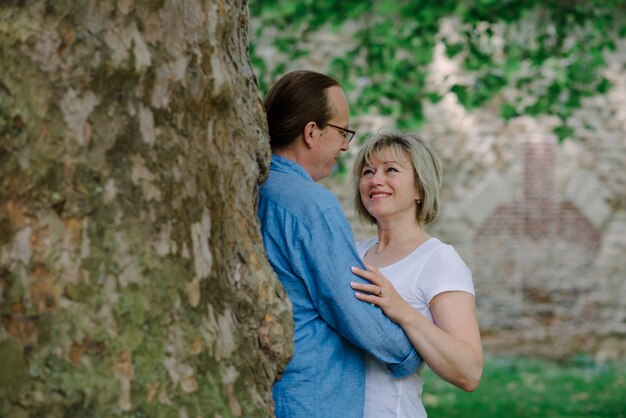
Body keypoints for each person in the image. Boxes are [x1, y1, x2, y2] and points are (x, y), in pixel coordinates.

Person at [257, 71, 423, 418]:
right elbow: (351, 307)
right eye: (343, 132)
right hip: (312, 400)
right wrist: (412, 351)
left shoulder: (256, 190)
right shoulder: (312, 205)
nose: (347, 146)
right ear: (312, 132)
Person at [349, 132, 483, 417]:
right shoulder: (352, 253)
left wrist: (403, 311)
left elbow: (469, 372)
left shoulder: (438, 259)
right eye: (368, 172)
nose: (375, 180)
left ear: (419, 189)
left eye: (391, 170)